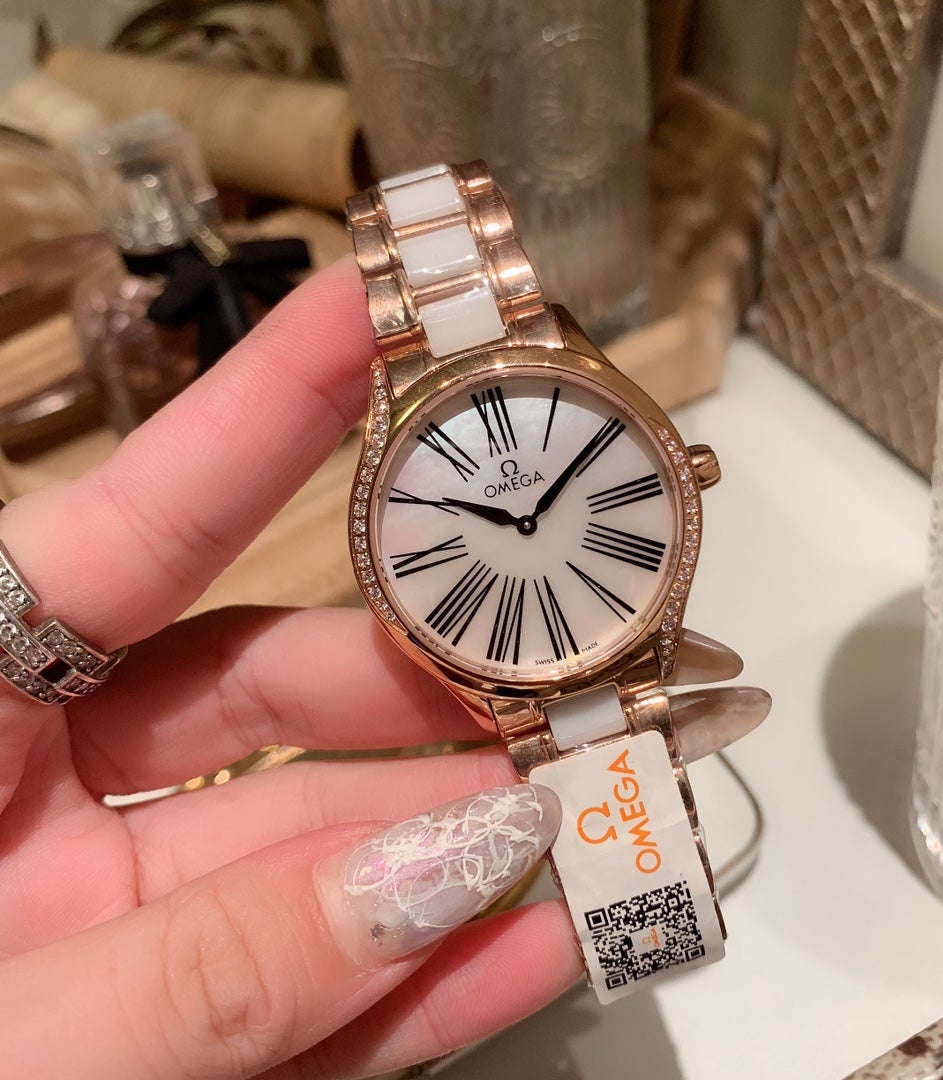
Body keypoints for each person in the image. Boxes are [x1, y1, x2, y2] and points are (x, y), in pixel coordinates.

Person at [0, 257, 768, 1078]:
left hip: (605, 642)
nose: (525, 517)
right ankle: (653, 937)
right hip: (534, 665)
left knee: (614, 928)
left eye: (535, 510)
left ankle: (655, 937)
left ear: (685, 468)